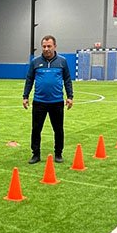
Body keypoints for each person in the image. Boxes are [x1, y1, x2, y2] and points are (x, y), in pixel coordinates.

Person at [22, 35, 74, 164]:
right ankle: (36, 154)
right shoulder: (35, 62)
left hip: (57, 102)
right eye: (44, 46)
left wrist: (70, 96)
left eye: (49, 46)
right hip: (39, 102)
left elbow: (67, 79)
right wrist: (25, 96)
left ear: (55, 46)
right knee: (36, 129)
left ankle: (58, 153)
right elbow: (29, 79)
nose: (46, 49)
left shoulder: (62, 61)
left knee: (58, 129)